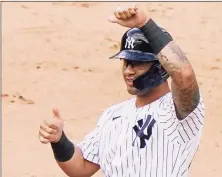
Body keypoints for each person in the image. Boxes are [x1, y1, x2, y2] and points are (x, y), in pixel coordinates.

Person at [38, 4, 205, 177]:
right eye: (126, 62)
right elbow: (80, 167)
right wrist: (58, 140)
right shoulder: (113, 115)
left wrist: (145, 23)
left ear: (162, 66)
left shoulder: (179, 112)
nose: (128, 70)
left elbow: (184, 75)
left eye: (138, 63)